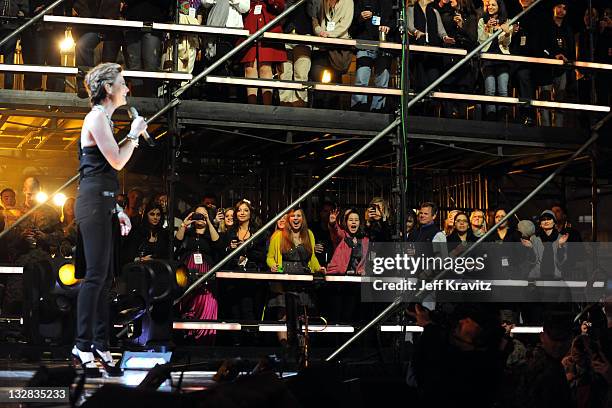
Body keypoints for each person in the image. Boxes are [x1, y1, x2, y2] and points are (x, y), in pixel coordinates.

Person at [71, 63, 147, 377]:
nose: (127, 88)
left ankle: (100, 345)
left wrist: (118, 210)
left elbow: (103, 172)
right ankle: (81, 345)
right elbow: (116, 160)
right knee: (94, 277)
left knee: (104, 280)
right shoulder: (96, 117)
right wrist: (134, 134)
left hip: (102, 202)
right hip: (91, 202)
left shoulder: (103, 118)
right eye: (123, 83)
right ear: (108, 89)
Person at [175, 206, 221, 342]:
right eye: (198, 214)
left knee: (207, 301)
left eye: (204, 214)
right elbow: (176, 242)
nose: (200, 217)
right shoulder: (188, 233)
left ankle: (205, 337)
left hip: (207, 273)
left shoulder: (210, 233)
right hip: (187, 273)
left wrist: (209, 222)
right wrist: (184, 224)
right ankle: (187, 336)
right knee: (188, 303)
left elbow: (218, 244)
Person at [350, 0, 394, 113]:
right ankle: (358, 110)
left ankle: (377, 110)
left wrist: (388, 26)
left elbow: (396, 19)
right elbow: (352, 21)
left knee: (382, 81)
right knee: (361, 78)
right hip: (364, 42)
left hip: (385, 43)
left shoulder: (391, 2)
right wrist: (360, 17)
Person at [241, 0, 287, 104]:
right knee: (249, 67)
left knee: (265, 67)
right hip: (251, 22)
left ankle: (267, 108)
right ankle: (251, 107)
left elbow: (280, 6)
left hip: (268, 24)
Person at [540, 0, 574, 128]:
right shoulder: (546, 26)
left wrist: (568, 59)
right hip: (546, 67)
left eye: (564, 8)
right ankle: (545, 128)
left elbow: (571, 49)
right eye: (559, 7)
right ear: (553, 8)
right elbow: (541, 46)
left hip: (562, 68)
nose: (561, 10)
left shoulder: (567, 28)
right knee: (545, 99)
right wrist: (552, 55)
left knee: (560, 98)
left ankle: (558, 129)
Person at [477, 0, 512, 121]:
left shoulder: (507, 21)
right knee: (490, 90)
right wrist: (487, 28)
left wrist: (507, 33)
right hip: (488, 59)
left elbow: (507, 44)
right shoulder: (482, 20)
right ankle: (491, 117)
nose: (490, 7)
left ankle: (503, 118)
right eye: (489, 5)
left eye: (493, 5)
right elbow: (481, 41)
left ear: (499, 7)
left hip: (502, 59)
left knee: (503, 89)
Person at [122, 202, 170, 266]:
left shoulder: (163, 233)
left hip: (158, 270)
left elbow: (168, 254)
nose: (155, 217)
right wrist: (140, 259)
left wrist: (183, 226)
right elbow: (127, 256)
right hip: (139, 270)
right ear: (146, 215)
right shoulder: (137, 232)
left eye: (158, 214)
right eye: (152, 214)